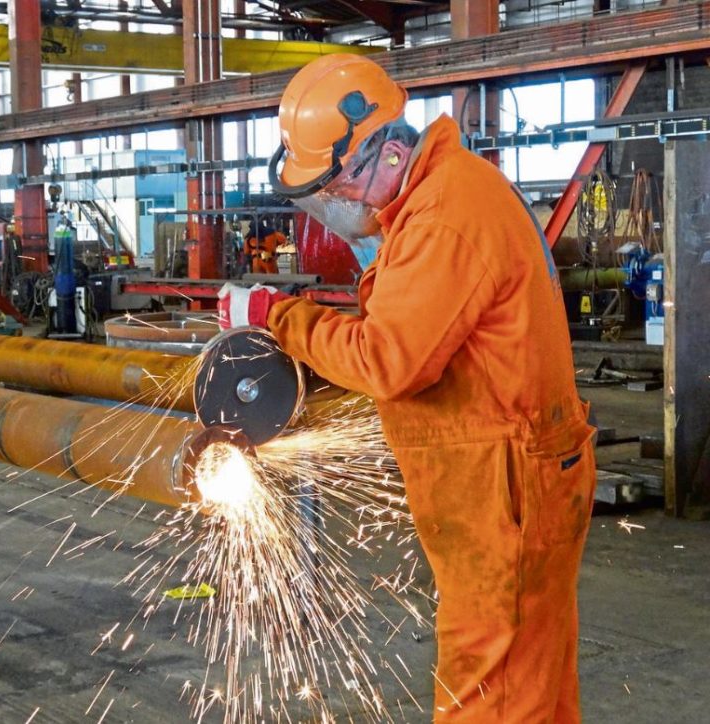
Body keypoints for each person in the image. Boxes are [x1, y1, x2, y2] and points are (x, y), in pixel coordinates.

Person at [218, 54, 596, 722]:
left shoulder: (445, 214)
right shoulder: (437, 195)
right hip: (508, 471)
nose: (342, 201)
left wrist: (275, 316)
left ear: (388, 150)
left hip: (502, 485)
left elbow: (389, 361)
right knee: (529, 681)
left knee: (488, 690)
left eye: (341, 184)